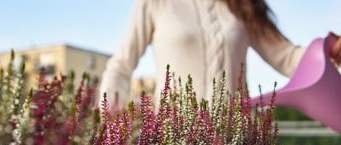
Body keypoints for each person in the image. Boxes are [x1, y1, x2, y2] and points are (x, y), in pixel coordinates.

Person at [99, 0, 341, 109]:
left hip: (234, 143)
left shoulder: (245, 4)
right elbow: (120, 65)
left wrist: (328, 51)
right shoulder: (154, 3)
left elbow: (287, 57)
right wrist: (111, 117)